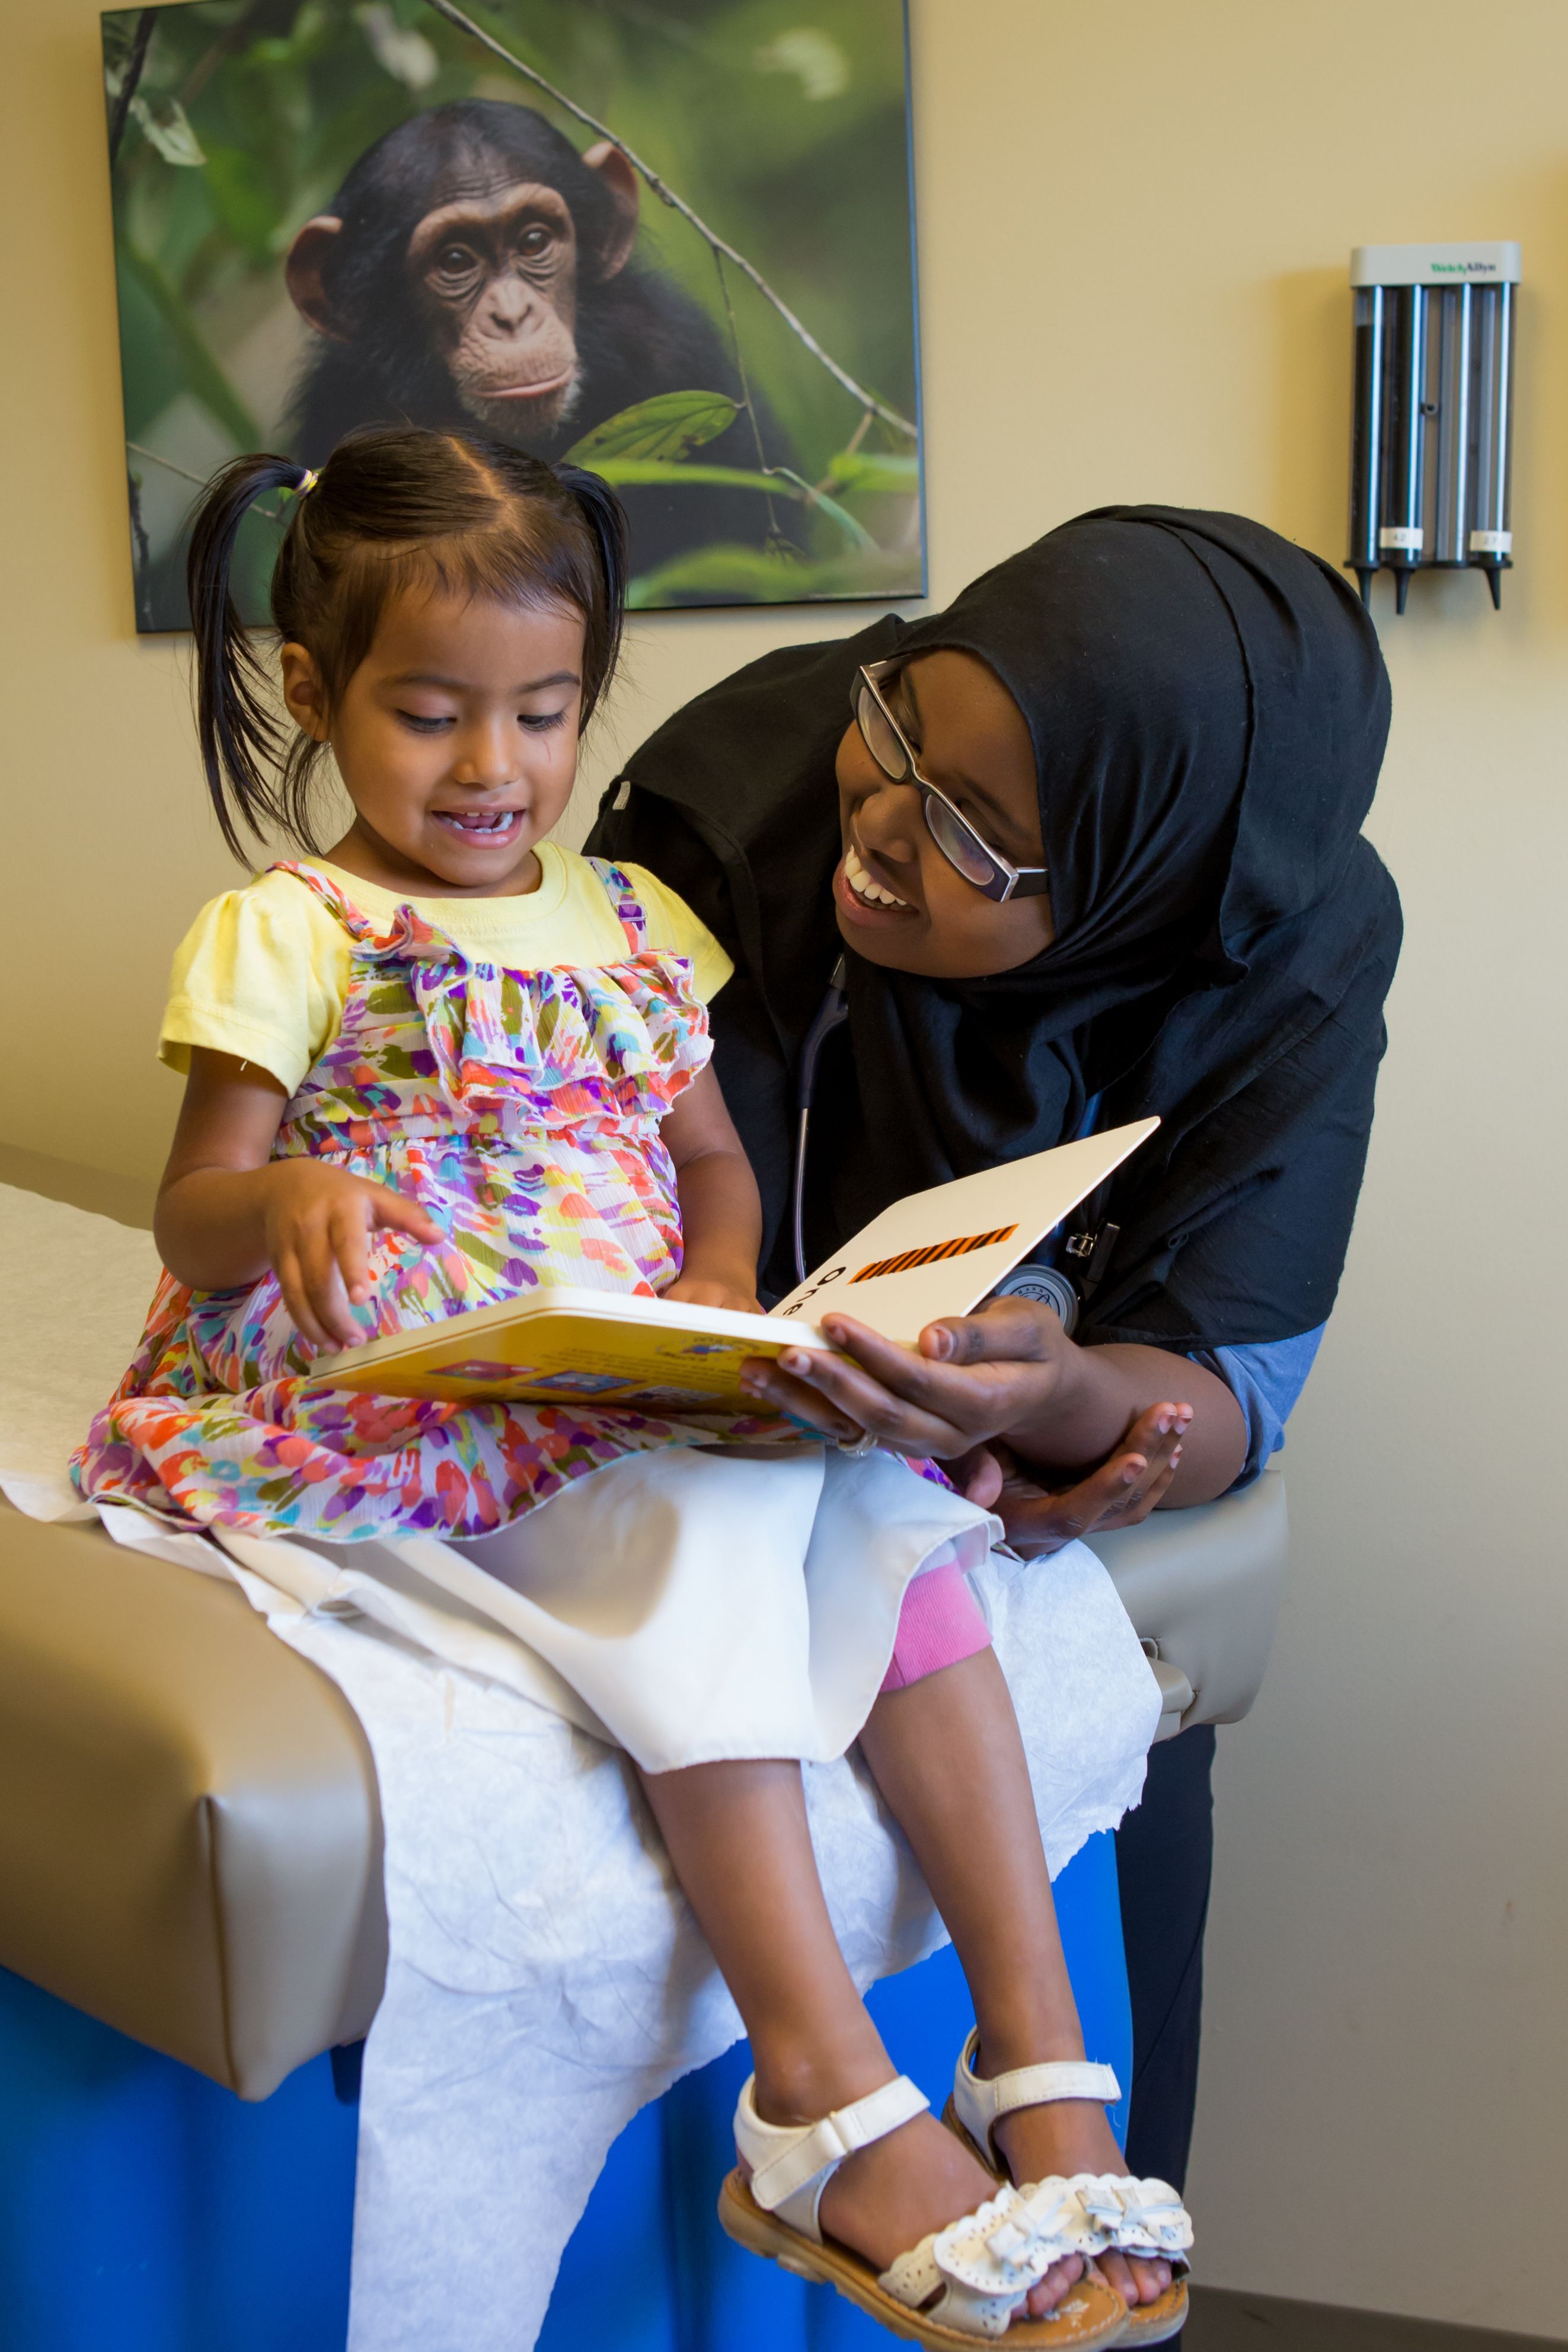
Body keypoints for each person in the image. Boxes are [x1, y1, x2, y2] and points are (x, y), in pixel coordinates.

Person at [76, 428, 1192, 2348]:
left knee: (899, 1519)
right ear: (311, 694)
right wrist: (290, 1194)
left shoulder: (635, 928)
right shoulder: (293, 930)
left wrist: (725, 1302)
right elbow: (192, 1215)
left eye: (543, 714)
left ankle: (1043, 2066)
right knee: (694, 1539)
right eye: (430, 716)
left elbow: (711, 1166)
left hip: (614, 1366)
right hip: (406, 1388)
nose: (494, 768)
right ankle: (823, 2100)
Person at [588, 505, 1401, 2215]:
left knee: (1110, 1735)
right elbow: (584, 1187)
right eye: (895, 726)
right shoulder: (732, 817)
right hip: (711, 1480)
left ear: (1145, 884)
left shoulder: (1285, 944)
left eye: (971, 829)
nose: (876, 822)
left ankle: (1054, 2112)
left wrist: (1066, 1400)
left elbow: (1225, 1382)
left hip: (996, 1521)